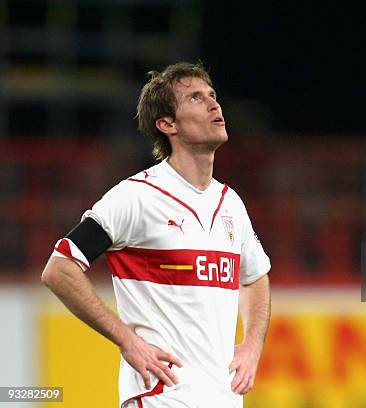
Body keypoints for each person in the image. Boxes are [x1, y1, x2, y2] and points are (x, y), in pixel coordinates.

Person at [41, 62, 271, 408]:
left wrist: (252, 345)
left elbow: (255, 277)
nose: (214, 104)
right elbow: (59, 269)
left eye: (212, 95)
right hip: (160, 397)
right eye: (195, 97)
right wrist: (127, 341)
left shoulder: (231, 204)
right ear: (167, 124)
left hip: (222, 398)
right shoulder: (135, 197)